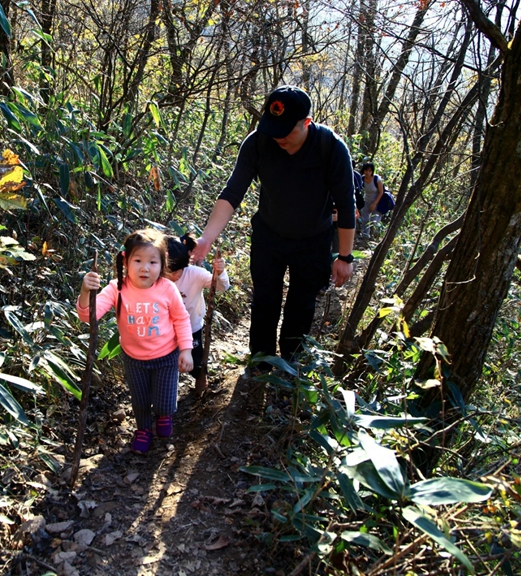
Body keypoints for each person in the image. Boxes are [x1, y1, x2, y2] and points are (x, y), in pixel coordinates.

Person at [191, 85, 355, 365]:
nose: (279, 137)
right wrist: (206, 238)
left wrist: (344, 256)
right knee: (265, 299)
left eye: (286, 131)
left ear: (306, 123)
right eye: (273, 128)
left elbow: (346, 203)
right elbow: (233, 192)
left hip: (314, 239)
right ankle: (261, 360)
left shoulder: (331, 148)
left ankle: (291, 361)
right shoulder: (259, 142)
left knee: (302, 304)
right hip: (269, 235)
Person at [78, 229, 194, 455]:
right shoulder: (117, 288)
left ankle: (163, 415)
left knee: (165, 401)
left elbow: (181, 319)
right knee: (140, 400)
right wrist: (85, 291)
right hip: (134, 358)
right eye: (138, 260)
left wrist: (186, 350)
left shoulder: (167, 289)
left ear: (162, 264)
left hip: (166, 355)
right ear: (125, 261)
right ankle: (143, 430)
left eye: (152, 262)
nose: (145, 267)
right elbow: (87, 315)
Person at [164, 234, 231, 390]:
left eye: (176, 272)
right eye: (168, 272)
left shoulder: (195, 274)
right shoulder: (155, 275)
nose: (173, 276)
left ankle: (201, 380)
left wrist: (220, 272)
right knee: (167, 362)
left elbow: (222, 286)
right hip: (165, 330)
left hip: (192, 326)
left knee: (196, 360)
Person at [359, 162, 384, 238]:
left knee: (374, 220)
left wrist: (374, 203)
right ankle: (365, 235)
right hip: (366, 200)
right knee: (365, 219)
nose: (367, 172)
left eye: (370, 171)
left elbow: (381, 192)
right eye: (366, 170)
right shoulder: (362, 179)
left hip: (377, 201)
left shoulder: (377, 179)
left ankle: (375, 237)